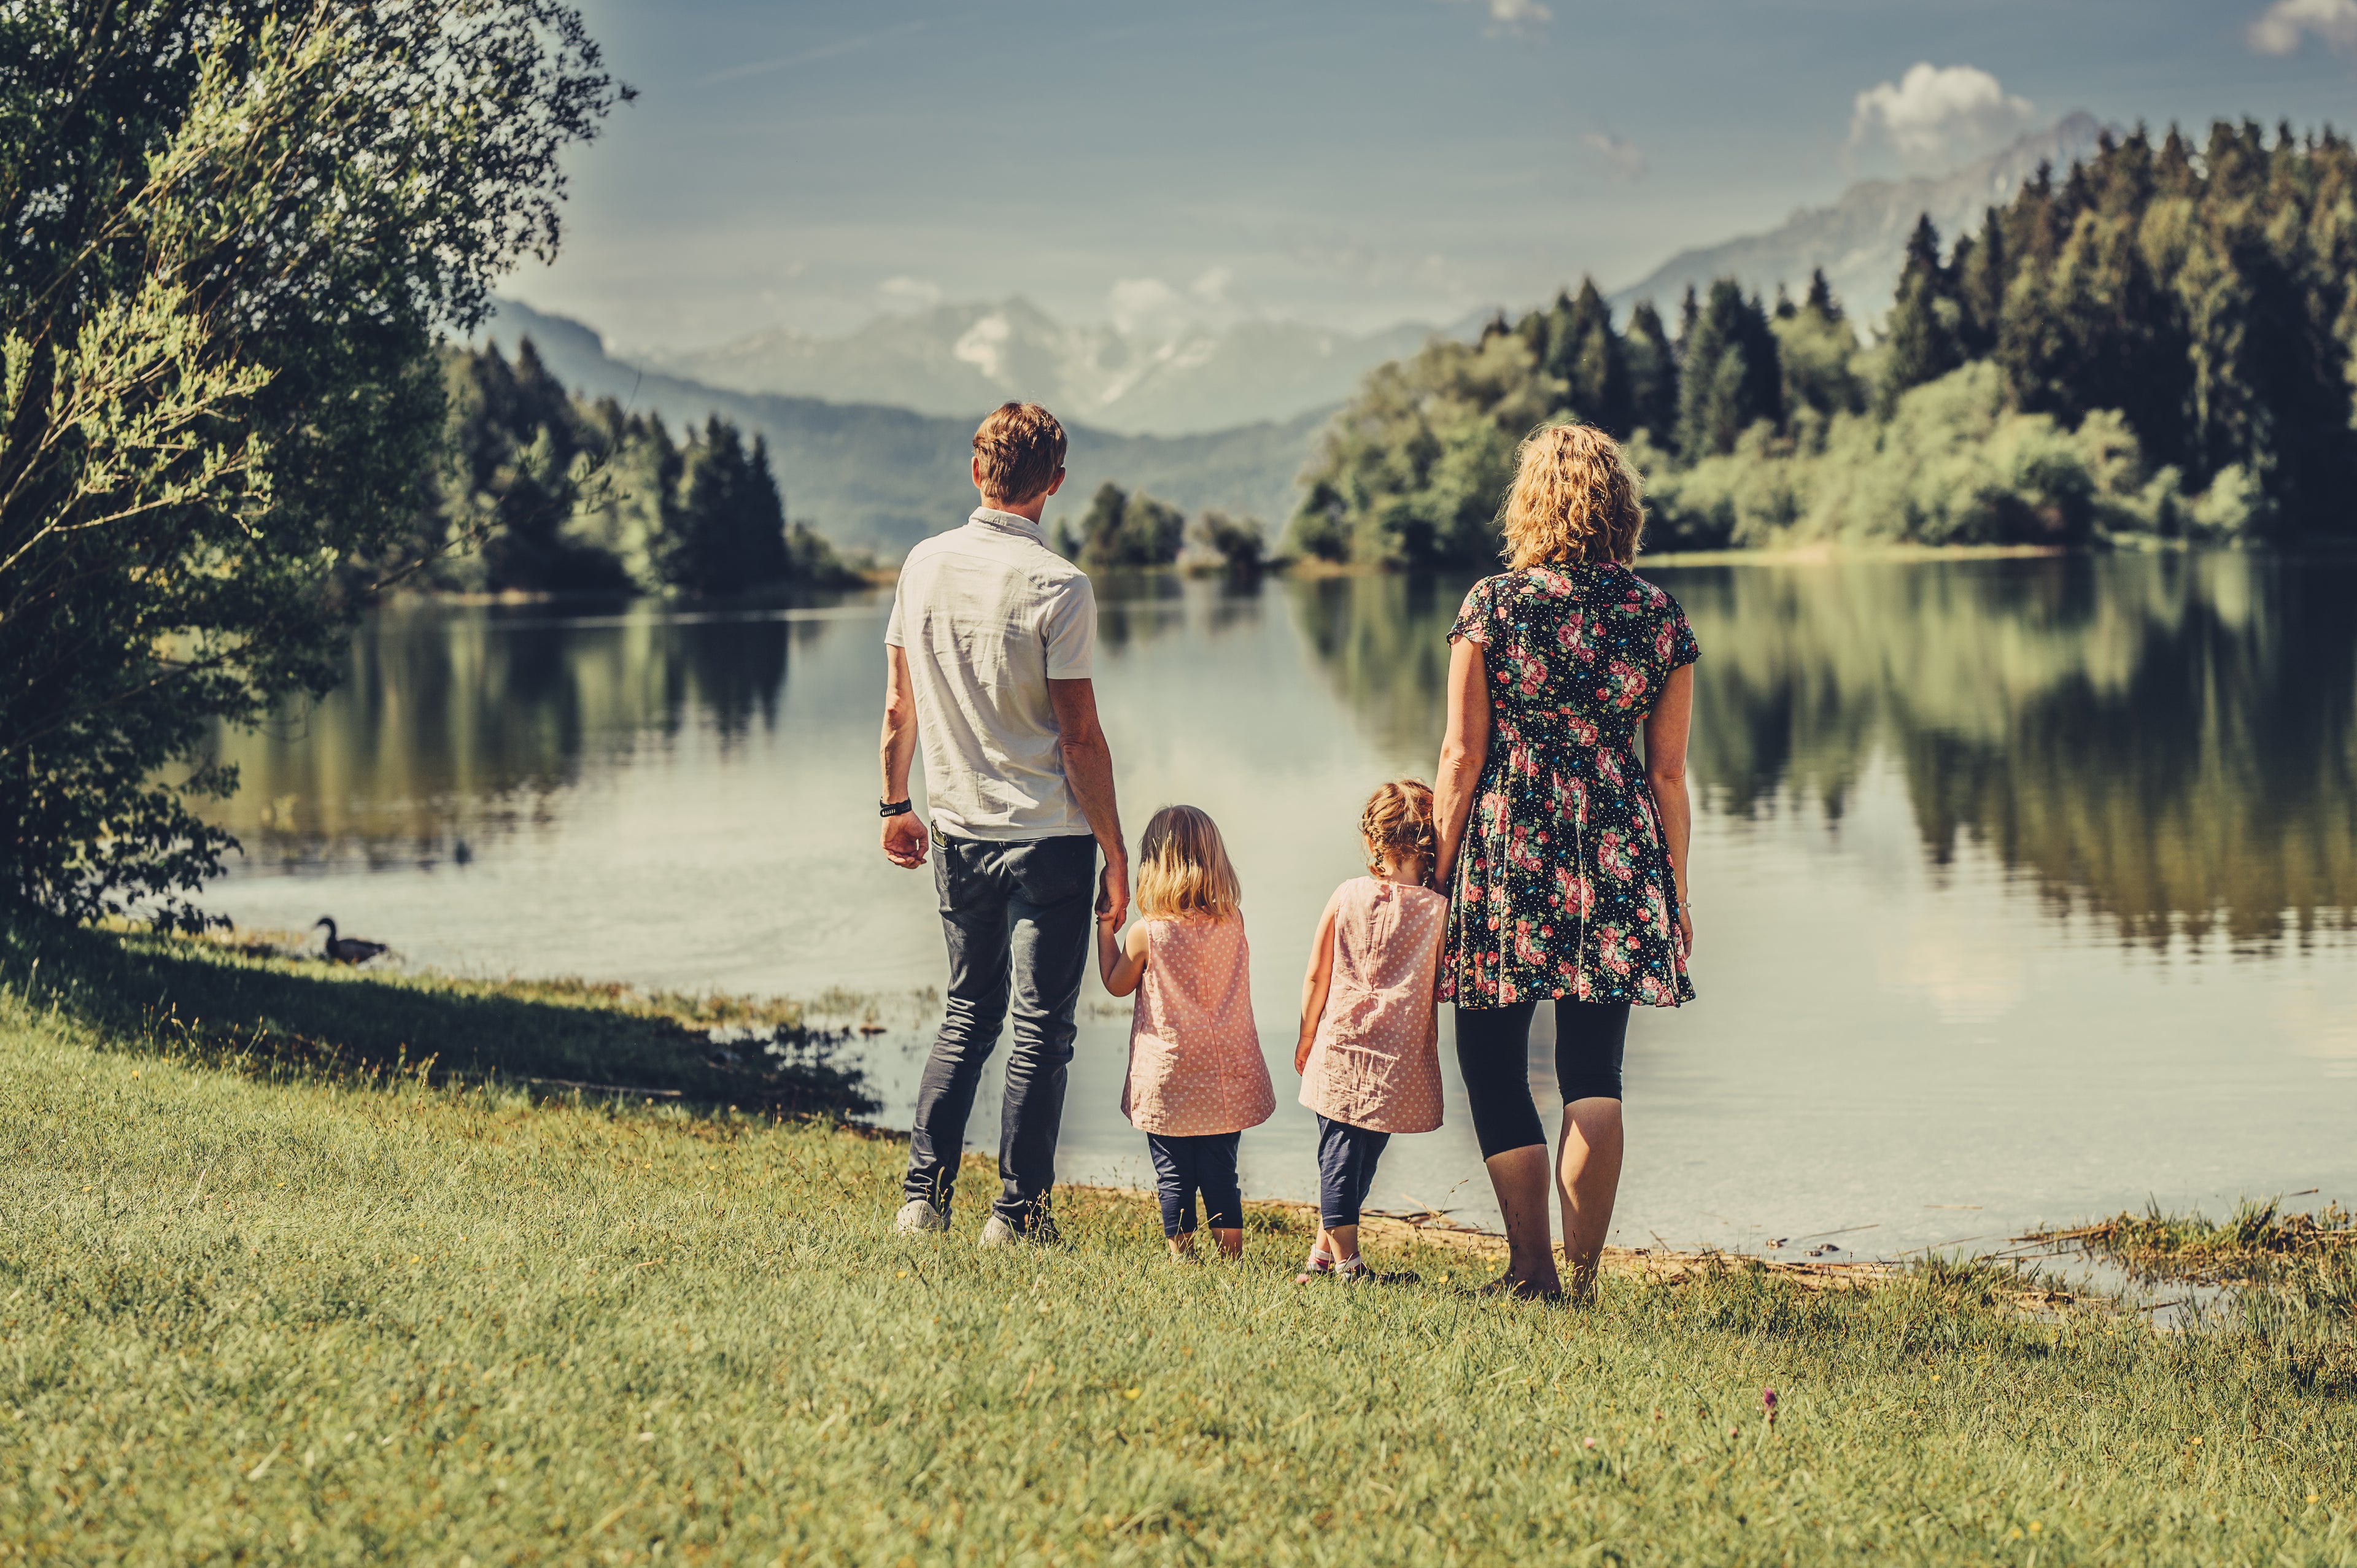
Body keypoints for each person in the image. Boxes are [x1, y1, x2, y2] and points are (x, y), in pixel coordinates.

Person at [1431, 421, 1698, 1299]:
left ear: (1530, 505)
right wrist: (1676, 887)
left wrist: (1436, 875)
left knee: (1492, 1060)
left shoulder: (1493, 605)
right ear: (1622, 506)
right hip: (1618, 849)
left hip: (1510, 844)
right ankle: (1580, 1283)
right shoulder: (1657, 614)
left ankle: (1532, 1269)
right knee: (1594, 1069)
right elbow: (1668, 771)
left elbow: (1461, 757)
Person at [880, 402, 1129, 1246]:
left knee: (967, 1012)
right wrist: (1115, 850)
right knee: (1040, 1028)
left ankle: (923, 1201)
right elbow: (1080, 737)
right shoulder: (1060, 585)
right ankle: (1017, 1216)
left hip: (956, 829)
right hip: (1050, 837)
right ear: (1054, 482)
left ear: (976, 469)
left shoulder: (922, 564)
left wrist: (895, 803)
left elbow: (899, 705)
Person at [1096, 805, 1274, 1261]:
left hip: (1169, 1074)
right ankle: (1231, 1259)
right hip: (1225, 1072)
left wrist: (1104, 927)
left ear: (1153, 867)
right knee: (1221, 1171)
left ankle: (1183, 1258)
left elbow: (1116, 984)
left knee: (1173, 1172)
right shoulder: (1233, 920)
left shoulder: (1147, 934)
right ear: (1215, 861)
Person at [1292, 780, 1450, 1285]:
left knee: (1340, 1156)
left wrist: (1307, 1034)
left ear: (1371, 840)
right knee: (1358, 1160)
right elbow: (1441, 981)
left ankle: (1331, 1260)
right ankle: (1344, 1264)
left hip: (1340, 1045)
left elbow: (1316, 974)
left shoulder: (1347, 894)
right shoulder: (1438, 910)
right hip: (1395, 1056)